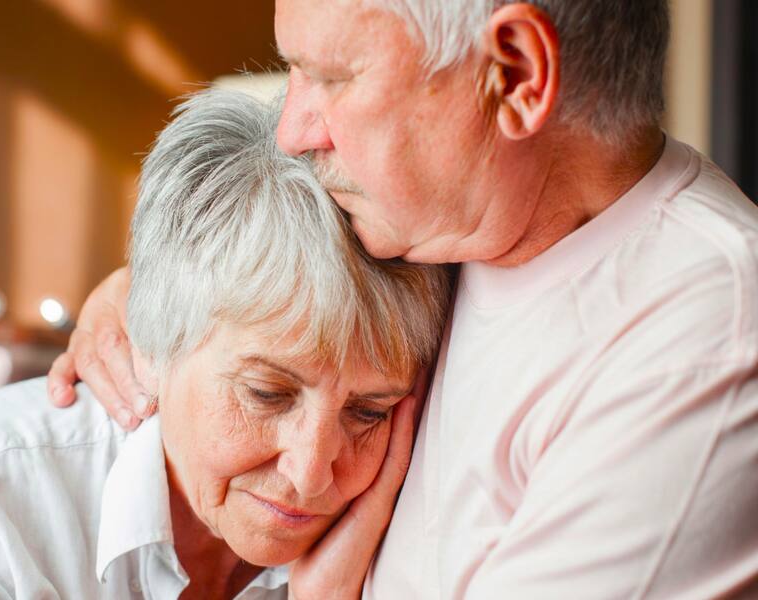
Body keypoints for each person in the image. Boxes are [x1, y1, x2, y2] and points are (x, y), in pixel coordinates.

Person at [50, 0, 758, 597]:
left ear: (515, 74)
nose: (294, 131)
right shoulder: (461, 220)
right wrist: (150, 299)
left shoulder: (694, 353)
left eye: (332, 77)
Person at [0, 88, 451, 599]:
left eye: (368, 412)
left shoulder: (422, 512)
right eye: (266, 393)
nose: (310, 475)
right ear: (148, 345)